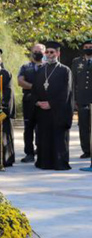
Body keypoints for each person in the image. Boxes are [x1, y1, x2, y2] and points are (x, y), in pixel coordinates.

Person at [33, 41, 73, 171]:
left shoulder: (65, 70)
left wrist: (51, 104)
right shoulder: (41, 70)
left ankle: (59, 163)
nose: (49, 55)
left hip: (58, 111)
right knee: (44, 137)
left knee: (58, 137)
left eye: (52, 52)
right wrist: (38, 102)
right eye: (47, 52)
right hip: (43, 111)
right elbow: (35, 89)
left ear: (58, 53)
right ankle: (44, 163)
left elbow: (66, 92)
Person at [18, 44, 46, 163]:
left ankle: (42, 151)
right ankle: (29, 153)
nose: (37, 53)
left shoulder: (48, 67)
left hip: (43, 100)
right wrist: (34, 87)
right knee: (28, 127)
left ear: (44, 53)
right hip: (29, 100)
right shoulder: (25, 67)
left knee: (42, 127)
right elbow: (20, 81)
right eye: (35, 51)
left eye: (39, 51)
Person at [71, 39, 92, 159]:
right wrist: (74, 100)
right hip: (82, 99)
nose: (88, 48)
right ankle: (86, 150)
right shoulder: (77, 62)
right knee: (83, 126)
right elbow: (73, 81)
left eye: (90, 46)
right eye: (86, 46)